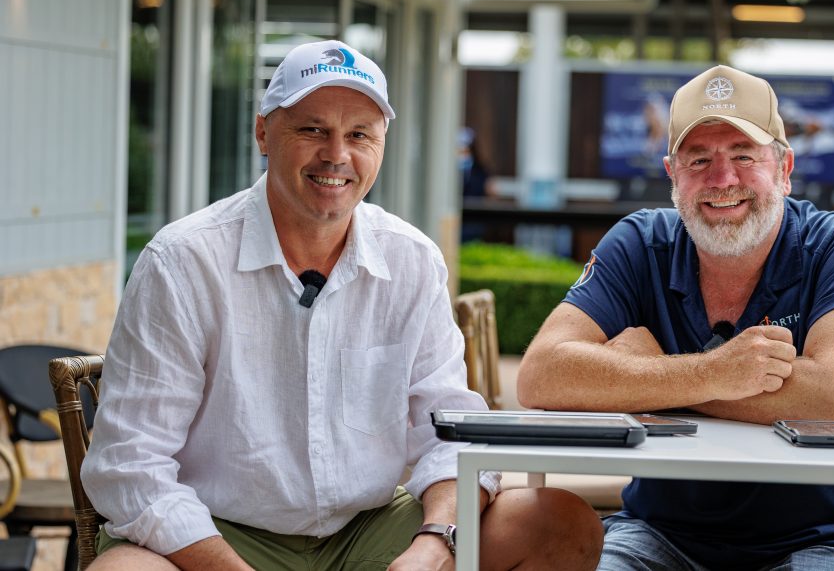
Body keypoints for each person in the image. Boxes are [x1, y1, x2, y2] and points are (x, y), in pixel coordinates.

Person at [81, 40, 603, 571]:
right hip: (217, 534)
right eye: (312, 130)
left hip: (367, 530)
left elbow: (453, 434)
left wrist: (435, 542)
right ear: (263, 133)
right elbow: (129, 464)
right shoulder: (182, 261)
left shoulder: (412, 259)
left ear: (382, 144)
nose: (336, 154)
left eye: (359, 134)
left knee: (561, 523)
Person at [518, 65, 834, 571]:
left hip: (822, 540)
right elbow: (541, 375)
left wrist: (649, 376)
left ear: (784, 168)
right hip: (658, 534)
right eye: (699, 159)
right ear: (671, 174)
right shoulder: (639, 243)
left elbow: (833, 400)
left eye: (744, 156)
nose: (723, 180)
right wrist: (721, 372)